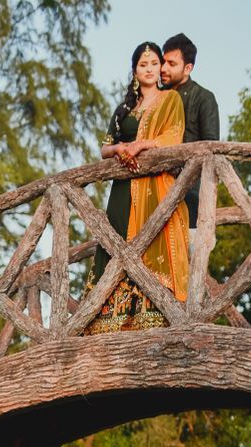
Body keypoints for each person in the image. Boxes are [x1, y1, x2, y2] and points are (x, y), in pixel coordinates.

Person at [85, 42, 190, 335]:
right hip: (122, 190)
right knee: (116, 244)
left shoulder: (171, 101)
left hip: (155, 189)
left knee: (149, 243)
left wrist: (142, 144)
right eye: (143, 65)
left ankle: (154, 314)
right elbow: (105, 149)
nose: (149, 69)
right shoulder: (125, 108)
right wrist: (121, 148)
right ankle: (108, 319)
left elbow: (174, 136)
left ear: (160, 69)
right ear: (134, 71)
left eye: (154, 64)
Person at [161, 32, 220, 227]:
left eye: (171, 64)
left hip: (191, 196)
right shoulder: (156, 98)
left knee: (191, 254)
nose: (163, 68)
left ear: (188, 68)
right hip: (156, 193)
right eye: (163, 62)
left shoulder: (203, 98)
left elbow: (212, 150)